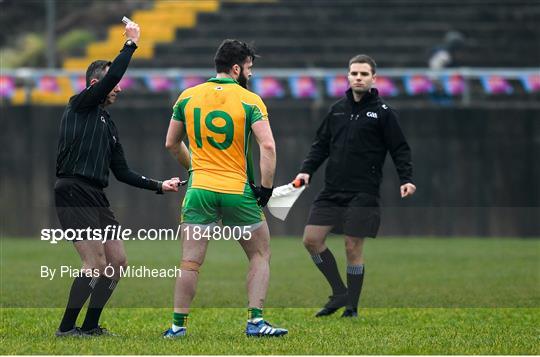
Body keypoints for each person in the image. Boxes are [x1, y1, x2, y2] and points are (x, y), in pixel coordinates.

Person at [54, 21, 180, 337]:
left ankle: (91, 325)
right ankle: (67, 329)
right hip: (74, 190)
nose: (119, 88)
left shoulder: (108, 125)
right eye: (113, 84)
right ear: (96, 83)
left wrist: (159, 186)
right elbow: (113, 75)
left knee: (117, 263)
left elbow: (122, 172)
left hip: (97, 195)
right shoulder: (80, 104)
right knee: (95, 264)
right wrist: (130, 44)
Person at [163, 39, 287, 338]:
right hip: (237, 190)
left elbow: (171, 143)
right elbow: (267, 146)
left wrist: (194, 168)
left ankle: (177, 328)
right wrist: (266, 190)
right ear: (236, 68)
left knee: (190, 262)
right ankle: (255, 322)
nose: (251, 75)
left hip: (199, 189)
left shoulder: (188, 96)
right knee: (260, 254)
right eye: (249, 68)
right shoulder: (250, 100)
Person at [294, 54, 416, 318]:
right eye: (354, 73)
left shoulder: (384, 113)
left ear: (373, 78)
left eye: (364, 74)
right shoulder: (337, 109)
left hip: (363, 191)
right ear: (348, 77)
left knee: (352, 246)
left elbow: (400, 149)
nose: (358, 77)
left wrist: (406, 178)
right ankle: (339, 291)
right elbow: (320, 145)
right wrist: (306, 171)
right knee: (311, 240)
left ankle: (352, 307)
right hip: (332, 189)